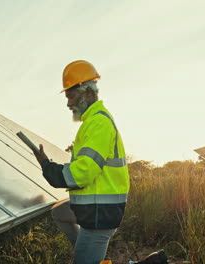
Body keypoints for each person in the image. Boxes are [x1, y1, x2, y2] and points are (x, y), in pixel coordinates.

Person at [33, 60, 130, 264]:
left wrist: (48, 168)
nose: (68, 104)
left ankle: (87, 255)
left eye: (71, 96)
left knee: (83, 260)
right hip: (96, 206)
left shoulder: (98, 124)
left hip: (99, 215)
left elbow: (83, 172)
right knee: (59, 212)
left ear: (86, 92)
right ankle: (86, 252)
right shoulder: (92, 122)